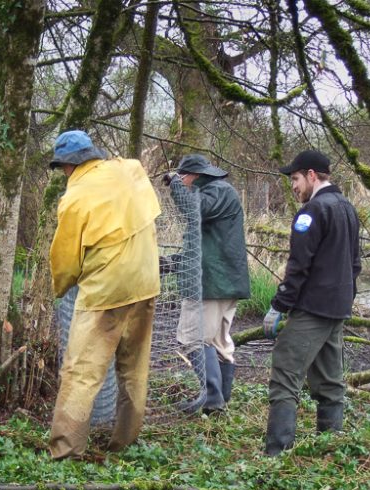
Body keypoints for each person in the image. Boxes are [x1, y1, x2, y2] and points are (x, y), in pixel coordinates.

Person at [48, 130, 161, 459]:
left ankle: (66, 450)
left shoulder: (76, 197)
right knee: (134, 369)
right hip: (146, 284)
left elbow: (65, 260)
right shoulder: (131, 169)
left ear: (68, 165)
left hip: (106, 292)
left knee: (81, 372)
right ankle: (124, 444)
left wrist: (60, 286)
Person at [262, 150, 361, 455]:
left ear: (312, 175)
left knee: (284, 378)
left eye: (295, 179)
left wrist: (279, 306)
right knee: (330, 383)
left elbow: (298, 267)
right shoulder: (347, 208)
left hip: (313, 310)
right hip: (337, 310)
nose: (293, 186)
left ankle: (276, 455)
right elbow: (355, 265)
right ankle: (330, 449)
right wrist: (345, 299)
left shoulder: (312, 213)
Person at [167, 155, 250, 414]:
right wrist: (172, 262)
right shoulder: (219, 192)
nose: (184, 185)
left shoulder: (216, 191)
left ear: (193, 175)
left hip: (209, 284)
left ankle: (212, 398)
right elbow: (207, 244)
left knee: (192, 337)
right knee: (217, 342)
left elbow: (194, 211)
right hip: (221, 280)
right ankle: (219, 401)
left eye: (184, 179)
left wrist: (175, 185)